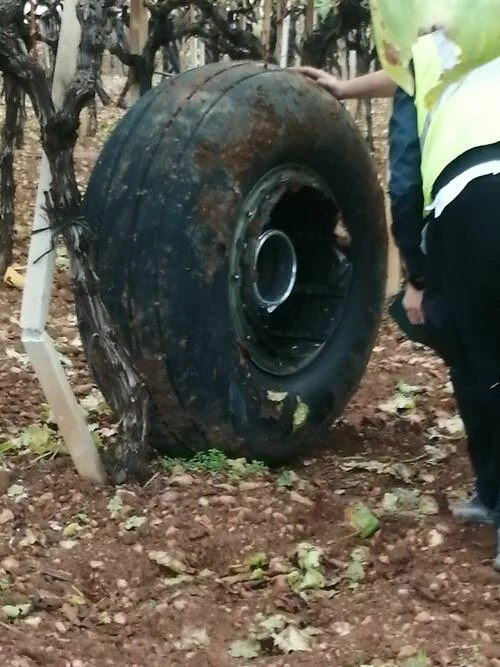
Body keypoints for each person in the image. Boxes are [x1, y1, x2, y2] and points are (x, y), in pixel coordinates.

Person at [293, 55, 500, 569]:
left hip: (469, 201)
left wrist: (415, 274)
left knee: (475, 358)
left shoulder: (440, 36)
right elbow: (408, 67)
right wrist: (346, 87)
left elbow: (405, 180)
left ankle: (494, 495)